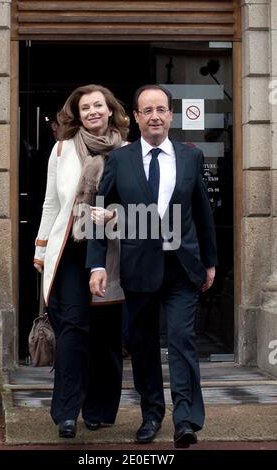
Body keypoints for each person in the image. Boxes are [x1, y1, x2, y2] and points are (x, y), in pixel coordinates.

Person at [88, 84, 217, 448]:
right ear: (137, 117)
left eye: (161, 109)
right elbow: (99, 216)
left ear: (171, 115)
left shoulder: (190, 157)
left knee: (181, 339)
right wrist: (96, 264)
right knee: (142, 344)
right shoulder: (121, 160)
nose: (155, 116)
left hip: (182, 266)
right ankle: (151, 414)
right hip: (139, 268)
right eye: (148, 110)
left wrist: (210, 263)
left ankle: (186, 420)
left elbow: (203, 214)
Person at [33, 84, 129, 438]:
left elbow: (142, 208)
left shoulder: (128, 152)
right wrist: (41, 249)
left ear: (110, 110)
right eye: (85, 107)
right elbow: (50, 203)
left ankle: (100, 410)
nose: (92, 111)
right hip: (71, 250)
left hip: (110, 251)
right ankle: (67, 412)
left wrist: (114, 216)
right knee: (73, 328)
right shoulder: (61, 150)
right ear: (78, 114)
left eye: (98, 105)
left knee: (106, 333)